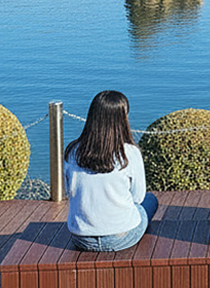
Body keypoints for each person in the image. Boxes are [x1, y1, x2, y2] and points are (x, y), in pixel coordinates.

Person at [64, 90, 159, 252]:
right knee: (150, 200)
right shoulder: (129, 153)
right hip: (121, 238)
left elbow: (69, 191)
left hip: (81, 237)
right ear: (123, 118)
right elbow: (138, 197)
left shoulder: (73, 151)